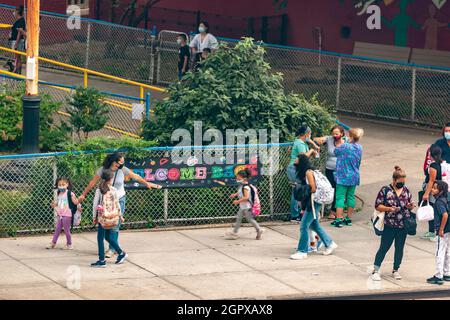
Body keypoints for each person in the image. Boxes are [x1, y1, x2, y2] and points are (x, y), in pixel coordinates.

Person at [79, 152, 161, 258]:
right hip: (106, 200)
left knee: (115, 225)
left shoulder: (122, 169)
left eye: (123, 162)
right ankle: (114, 248)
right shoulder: (103, 169)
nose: (122, 163)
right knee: (106, 224)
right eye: (120, 161)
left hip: (119, 199)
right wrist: (83, 194)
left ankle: (112, 249)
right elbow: (92, 183)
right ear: (114, 161)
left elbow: (135, 176)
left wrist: (146, 183)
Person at [290, 154, 338, 260]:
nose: (295, 160)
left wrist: (301, 190)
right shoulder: (309, 171)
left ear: (301, 161)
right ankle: (329, 243)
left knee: (304, 226)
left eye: (297, 159)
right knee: (314, 225)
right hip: (315, 201)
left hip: (314, 201)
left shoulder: (308, 172)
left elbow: (313, 188)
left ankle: (302, 251)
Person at [371, 166, 415, 281]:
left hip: (402, 225)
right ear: (394, 180)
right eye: (400, 182)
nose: (402, 184)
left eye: (403, 182)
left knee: (399, 248)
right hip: (389, 225)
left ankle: (396, 269)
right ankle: (376, 269)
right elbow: (378, 205)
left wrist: (410, 206)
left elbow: (409, 204)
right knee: (384, 247)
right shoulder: (385, 190)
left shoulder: (406, 191)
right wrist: (389, 209)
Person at [91, 170, 127, 268]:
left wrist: (94, 217)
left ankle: (102, 260)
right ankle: (121, 253)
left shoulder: (100, 190)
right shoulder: (114, 189)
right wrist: (120, 216)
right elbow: (117, 203)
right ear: (110, 179)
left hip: (103, 217)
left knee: (100, 238)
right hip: (112, 217)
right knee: (108, 237)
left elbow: (95, 204)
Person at [331, 128, 364, 228]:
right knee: (350, 196)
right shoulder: (359, 147)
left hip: (343, 176)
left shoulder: (344, 146)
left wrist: (343, 142)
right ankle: (348, 218)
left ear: (350, 136)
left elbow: (335, 152)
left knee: (340, 197)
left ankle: (338, 219)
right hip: (354, 175)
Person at [287, 125, 320, 223]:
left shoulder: (301, 141)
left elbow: (308, 141)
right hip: (294, 169)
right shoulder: (300, 144)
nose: (310, 136)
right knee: (297, 190)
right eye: (309, 134)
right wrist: (311, 150)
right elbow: (303, 157)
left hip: (297, 169)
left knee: (299, 189)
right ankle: (295, 215)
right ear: (306, 134)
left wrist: (313, 144)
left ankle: (298, 213)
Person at [314, 125, 347, 219]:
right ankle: (330, 208)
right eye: (333, 133)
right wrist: (319, 140)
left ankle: (334, 211)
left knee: (338, 189)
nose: (335, 135)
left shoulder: (346, 142)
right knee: (330, 188)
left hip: (341, 170)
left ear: (342, 134)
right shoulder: (329, 139)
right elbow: (317, 139)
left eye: (337, 133)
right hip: (330, 168)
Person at [225, 169, 264, 240]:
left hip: (246, 207)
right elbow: (240, 192)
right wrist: (235, 194)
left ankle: (259, 230)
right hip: (243, 206)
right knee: (239, 219)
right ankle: (234, 233)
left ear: (244, 178)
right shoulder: (242, 186)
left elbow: (246, 197)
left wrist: (237, 201)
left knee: (250, 219)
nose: (237, 179)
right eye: (237, 178)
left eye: (239, 178)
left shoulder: (246, 187)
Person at [427, 181, 450, 285]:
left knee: (439, 252)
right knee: (447, 252)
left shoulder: (439, 202)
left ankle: (438, 275)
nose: (432, 189)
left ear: (440, 190)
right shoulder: (446, 199)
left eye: (435, 188)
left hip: (443, 231)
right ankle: (447, 273)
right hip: (448, 230)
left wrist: (441, 229)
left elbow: (445, 215)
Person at [46, 177, 79, 250]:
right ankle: (53, 243)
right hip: (60, 215)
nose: (61, 186)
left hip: (67, 214)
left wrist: (79, 200)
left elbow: (75, 202)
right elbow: (59, 203)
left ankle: (69, 244)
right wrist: (54, 205)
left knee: (67, 230)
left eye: (63, 184)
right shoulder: (59, 193)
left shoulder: (70, 193)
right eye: (59, 185)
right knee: (57, 229)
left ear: (67, 184)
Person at [421, 145, 443, 241]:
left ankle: (433, 232)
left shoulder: (433, 166)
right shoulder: (441, 163)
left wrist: (426, 193)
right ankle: (433, 231)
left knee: (431, 210)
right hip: (437, 190)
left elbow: (431, 180)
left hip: (432, 191)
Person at [6, 6, 26, 74]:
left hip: (18, 41)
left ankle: (17, 71)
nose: (14, 12)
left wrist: (16, 44)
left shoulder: (21, 20)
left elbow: (19, 33)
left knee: (18, 57)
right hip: (15, 40)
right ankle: (16, 70)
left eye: (15, 11)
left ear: (17, 12)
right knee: (17, 57)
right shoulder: (18, 20)